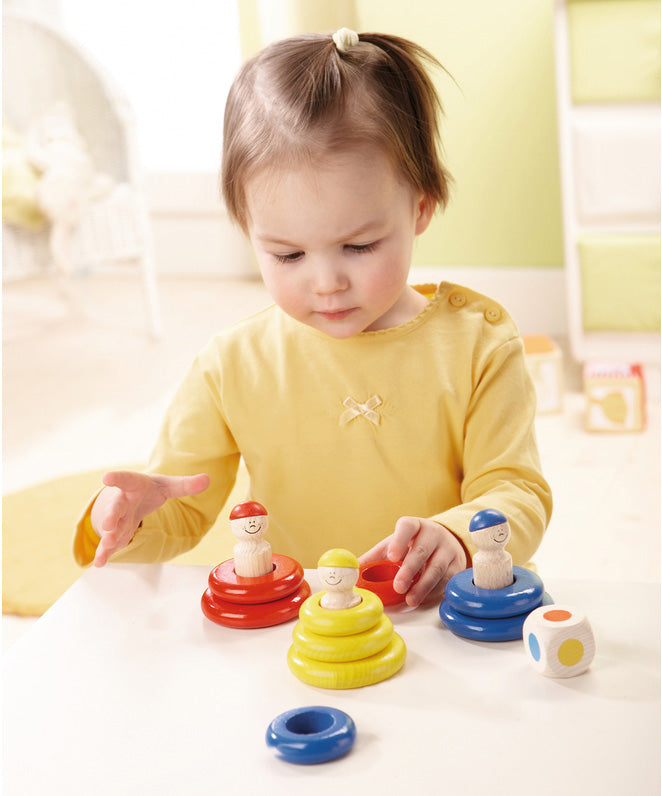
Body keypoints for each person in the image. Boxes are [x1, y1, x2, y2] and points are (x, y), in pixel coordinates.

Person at [74, 27, 552, 608]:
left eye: (360, 246)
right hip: (300, 621)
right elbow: (183, 507)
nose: (326, 283)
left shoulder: (478, 342)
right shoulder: (232, 364)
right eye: (288, 255)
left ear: (420, 206)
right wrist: (125, 517)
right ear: (249, 232)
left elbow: (515, 489)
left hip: (440, 612)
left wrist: (456, 535)